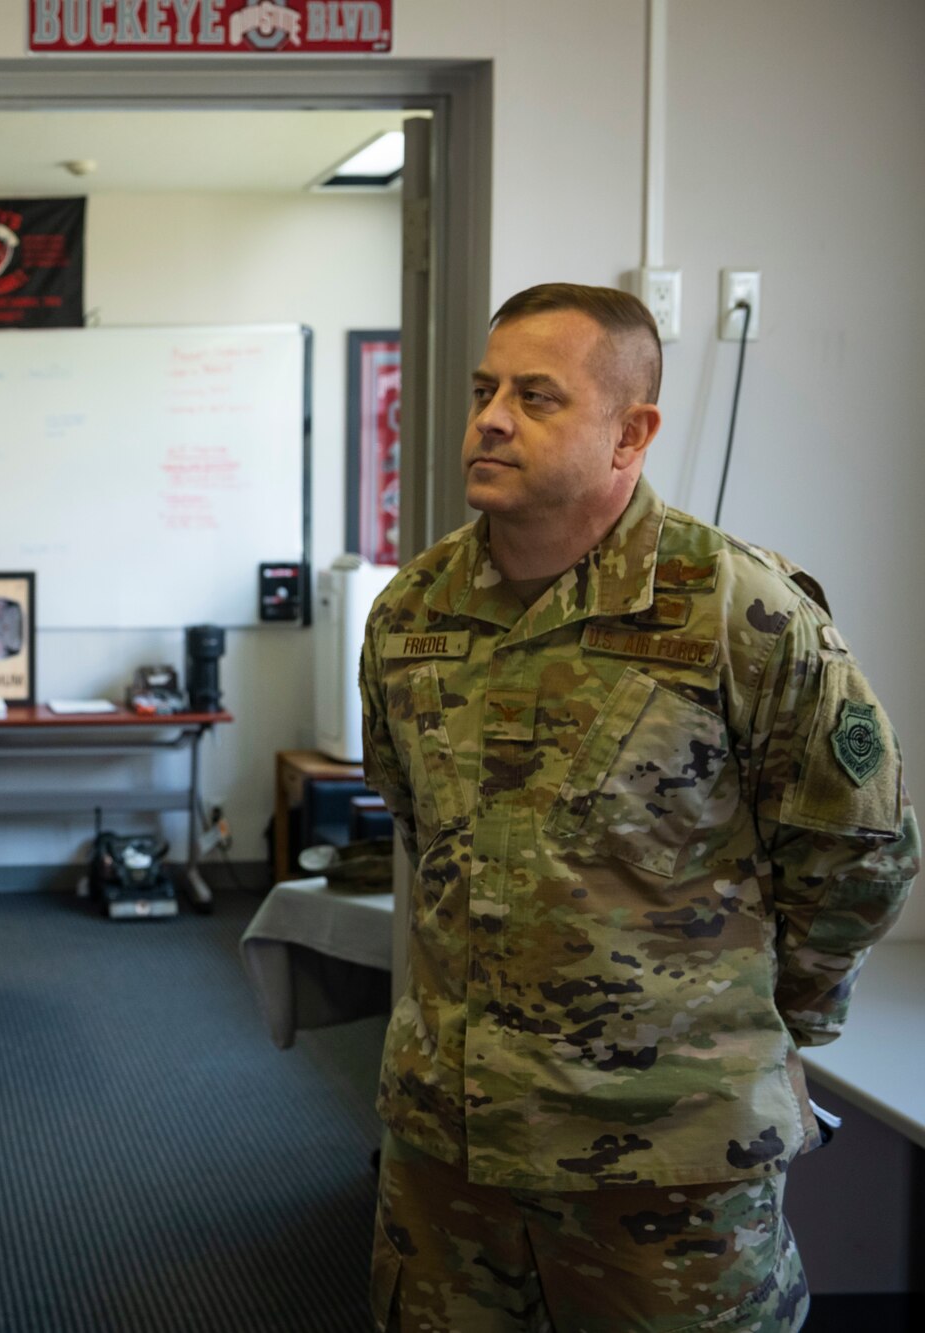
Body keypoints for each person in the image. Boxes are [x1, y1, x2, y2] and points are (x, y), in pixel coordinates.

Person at [359, 283, 919, 1332]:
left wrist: (760, 1027)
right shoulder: (409, 614)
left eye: (534, 397)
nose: (487, 418)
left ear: (631, 432)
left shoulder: (736, 611)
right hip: (450, 1149)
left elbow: (859, 851)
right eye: (484, 389)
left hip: (665, 1161)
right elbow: (414, 821)